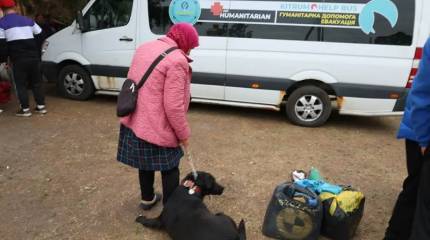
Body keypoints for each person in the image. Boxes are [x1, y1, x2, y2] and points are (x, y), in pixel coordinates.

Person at [117, 23, 199, 210]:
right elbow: (174, 107)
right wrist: (184, 134)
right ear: (184, 41)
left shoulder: (145, 48)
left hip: (136, 120)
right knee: (169, 168)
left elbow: (132, 81)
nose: (191, 51)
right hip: (158, 125)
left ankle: (147, 199)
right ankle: (170, 209)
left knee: (144, 163)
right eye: (191, 46)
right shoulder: (177, 61)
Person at [384, 38, 430, 239]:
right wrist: (425, 140)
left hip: (421, 129)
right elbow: (422, 95)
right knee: (415, 188)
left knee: (416, 189)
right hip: (421, 132)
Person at [0, 0, 47, 117]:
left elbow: (2, 45)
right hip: (33, 57)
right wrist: (36, 51)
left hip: (17, 59)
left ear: (2, 9)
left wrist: (4, 60)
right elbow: (41, 35)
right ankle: (41, 107)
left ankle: (25, 110)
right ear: (15, 7)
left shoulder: (1, 24)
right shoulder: (28, 20)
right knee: (36, 82)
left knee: (20, 84)